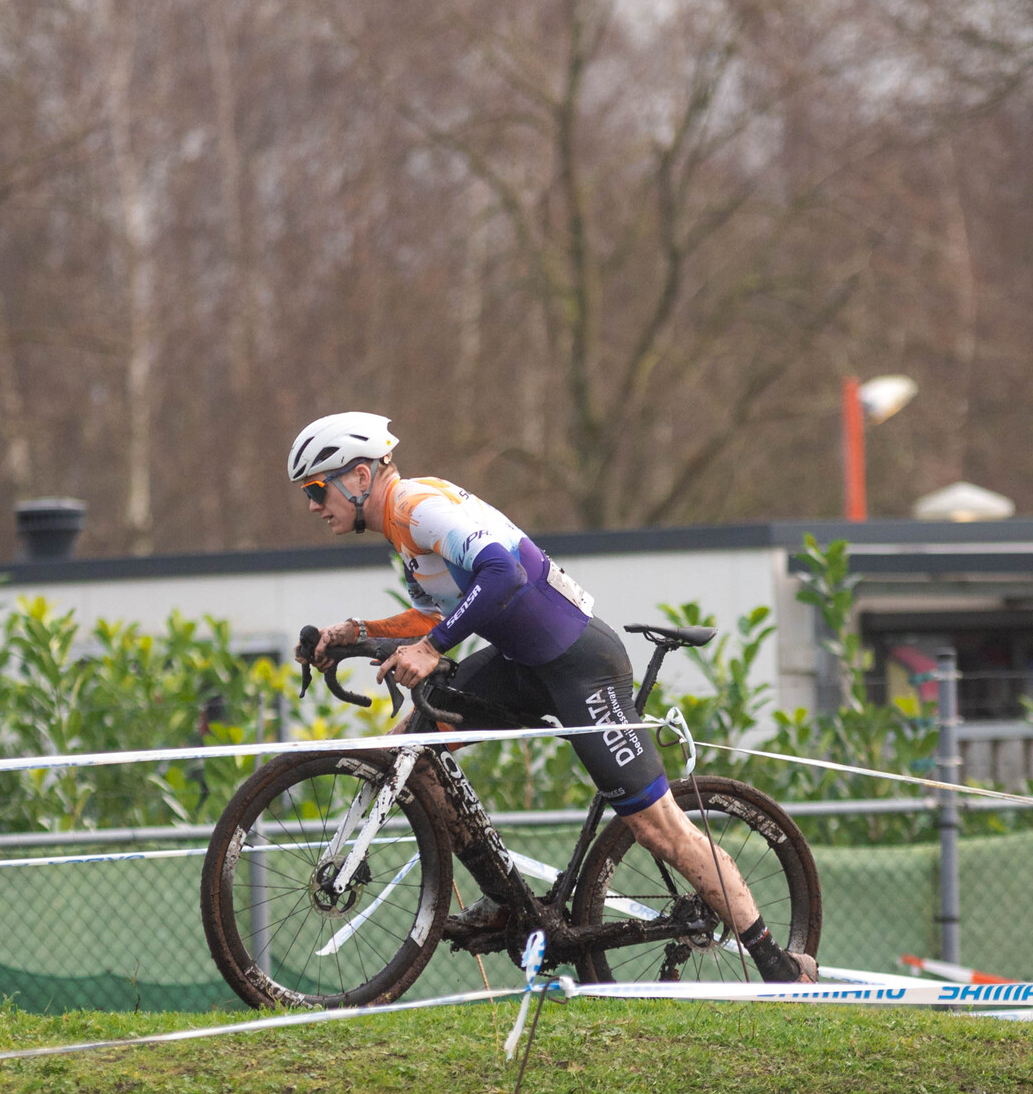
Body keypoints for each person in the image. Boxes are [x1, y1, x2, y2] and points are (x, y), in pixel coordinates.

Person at [288, 412, 816, 981]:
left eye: (318, 489)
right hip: (521, 665)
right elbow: (437, 611)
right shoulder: (401, 526)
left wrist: (434, 647)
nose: (315, 506)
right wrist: (352, 633)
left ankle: (777, 963)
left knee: (658, 828)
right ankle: (511, 904)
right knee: (406, 749)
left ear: (361, 476)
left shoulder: (419, 507)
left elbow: (502, 575)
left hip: (578, 665)